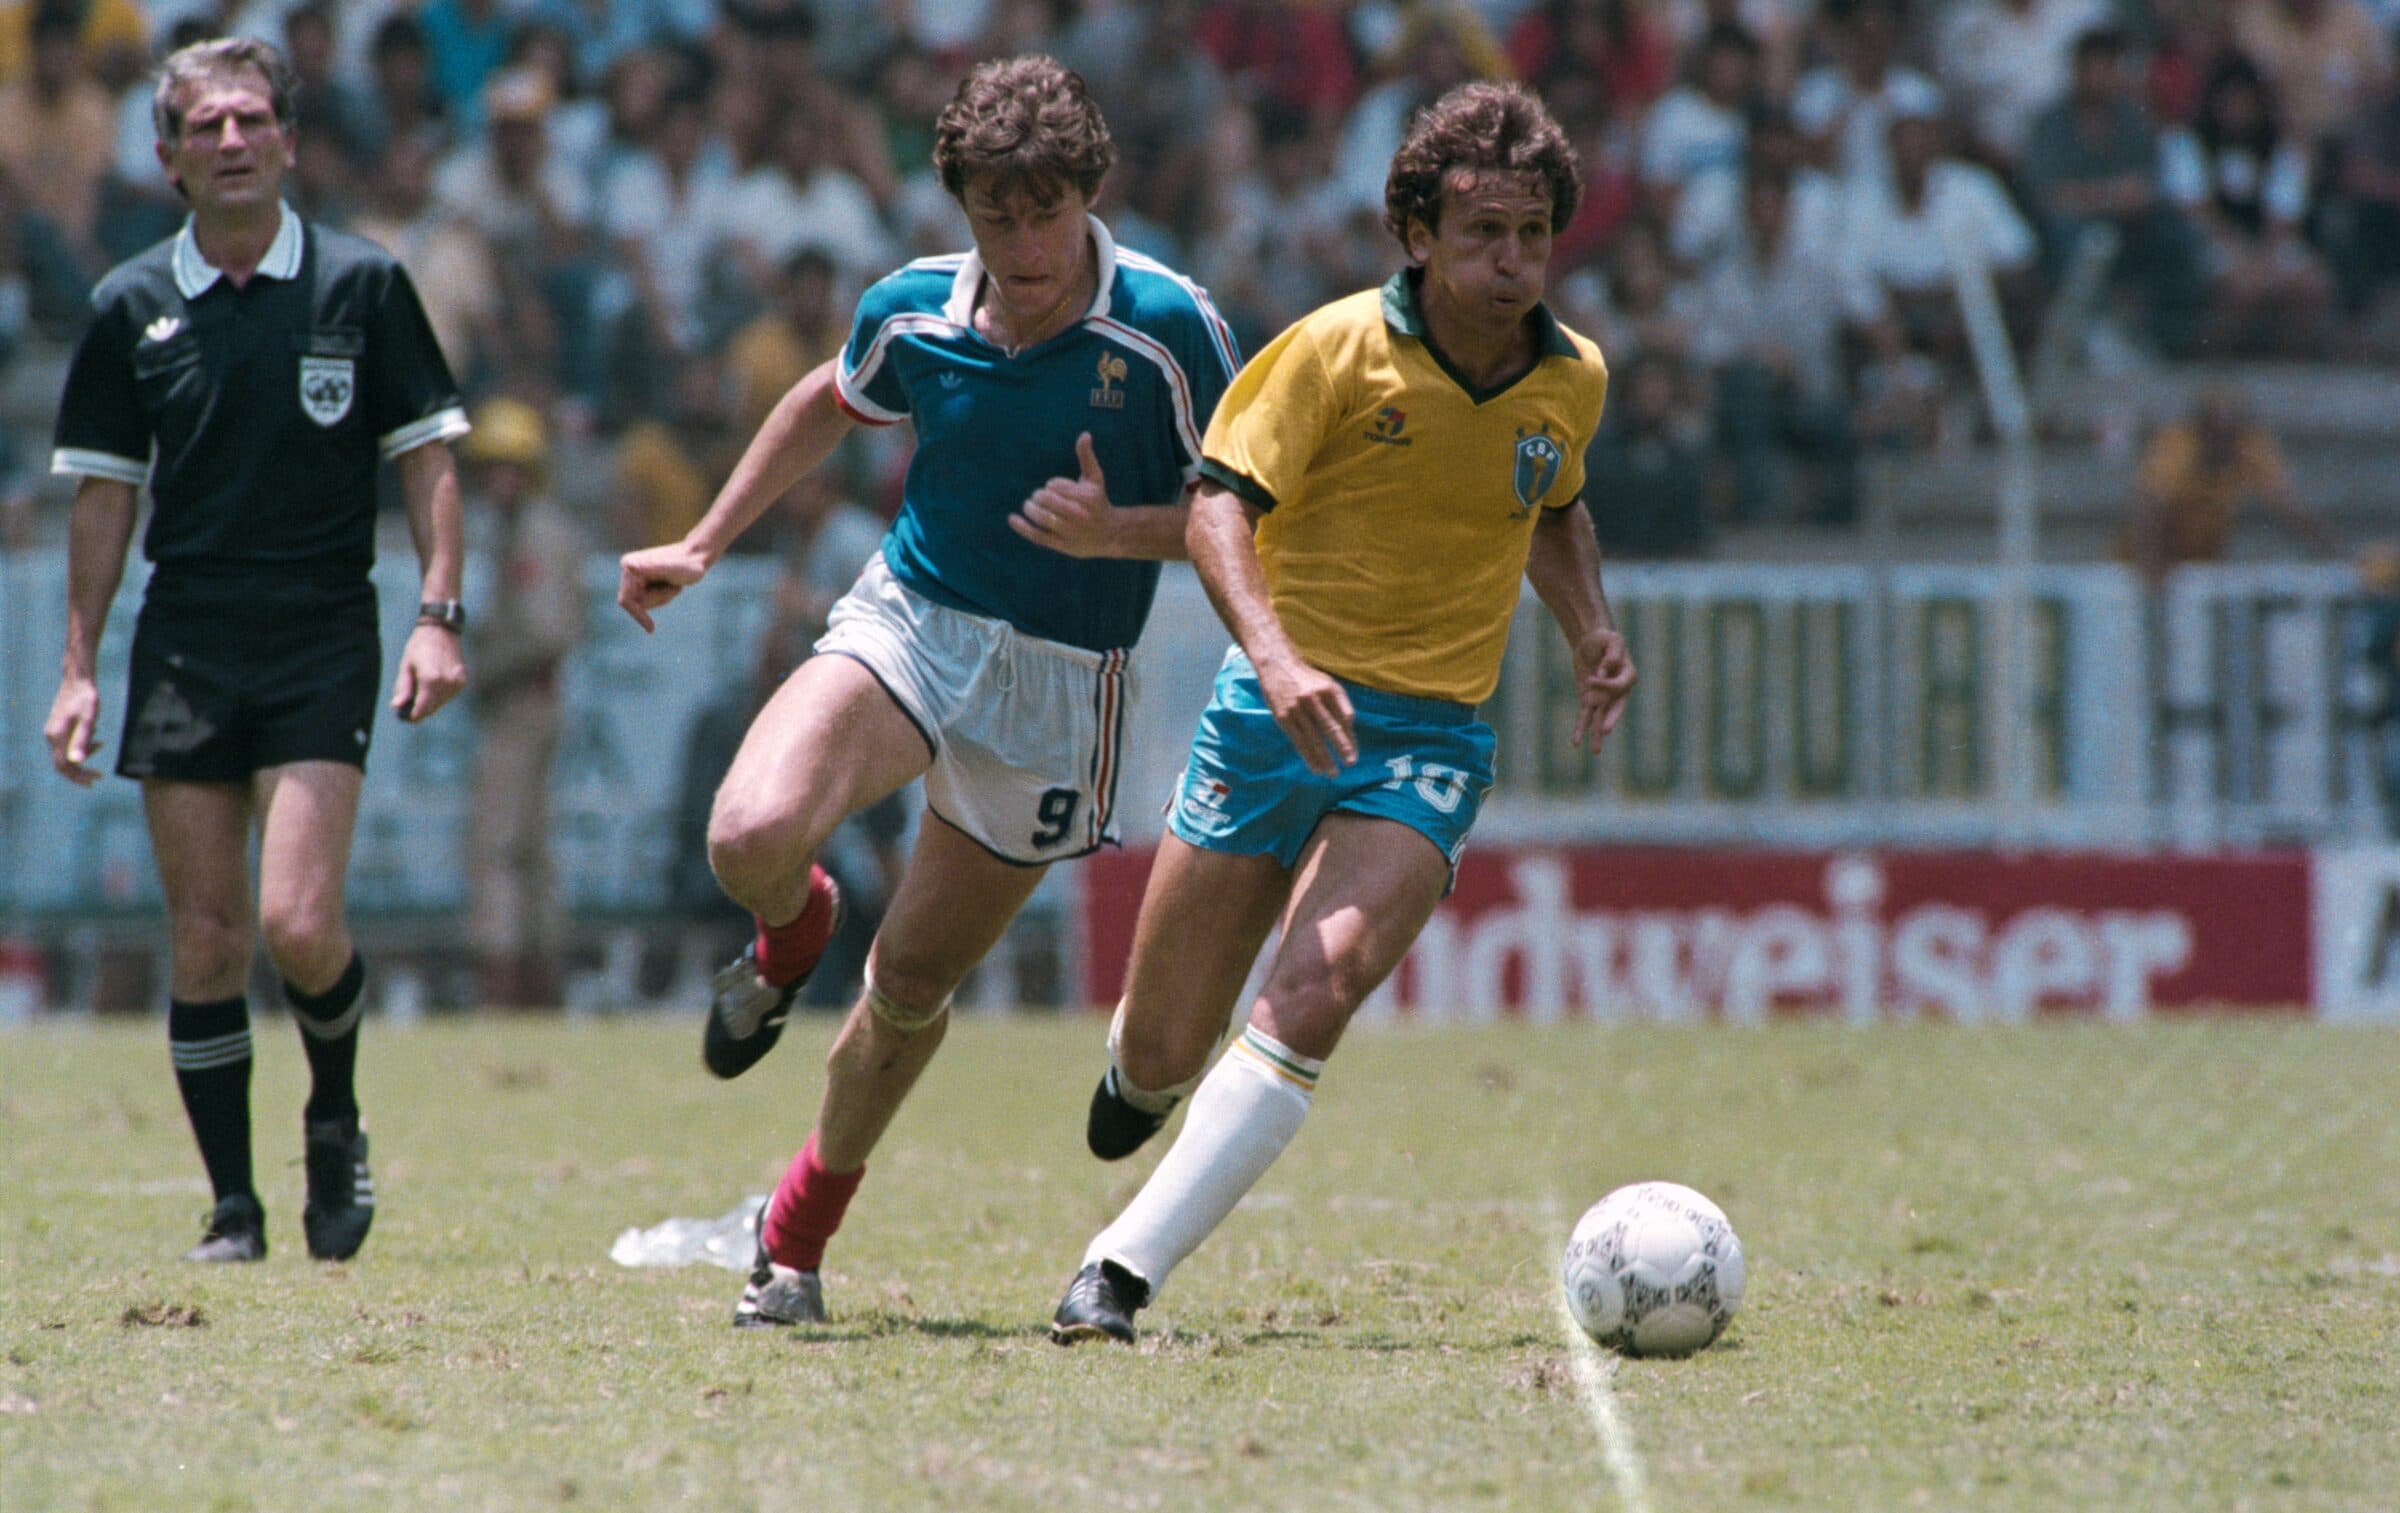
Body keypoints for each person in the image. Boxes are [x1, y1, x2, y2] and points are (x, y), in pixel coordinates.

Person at [615, 54, 1237, 1328]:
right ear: (959, 206)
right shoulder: (914, 309)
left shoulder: (1171, 328)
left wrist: (1118, 530)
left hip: (1062, 686)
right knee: (748, 833)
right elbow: (831, 400)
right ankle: (789, 937)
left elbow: (1254, 518)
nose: (1023, 243)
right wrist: (706, 539)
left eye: (1046, 212)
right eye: (995, 215)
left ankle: (792, 1242)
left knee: (906, 989)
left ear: (1089, 197)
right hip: (915, 621)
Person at [1049, 80, 1635, 1345]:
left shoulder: (1571, 377)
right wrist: (1273, 659)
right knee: (1159, 1050)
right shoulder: (1328, 351)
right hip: (1271, 716)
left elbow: (1551, 500)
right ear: (1417, 234)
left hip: (1424, 742)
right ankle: (1143, 1075)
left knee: (1314, 992)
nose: (1512, 261)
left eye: (1534, 234)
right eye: (1484, 234)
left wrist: (1589, 625)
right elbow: (1217, 509)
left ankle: (1118, 1271)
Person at [43, 38, 469, 1264]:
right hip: (186, 636)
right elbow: (106, 497)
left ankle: (332, 1112)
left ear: (288, 140)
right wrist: (79, 668)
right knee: (209, 938)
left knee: (296, 921)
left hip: (322, 627)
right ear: (169, 156)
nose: (231, 141)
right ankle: (234, 1209)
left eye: (251, 120)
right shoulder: (131, 304)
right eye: (204, 126)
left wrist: (438, 616)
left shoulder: (363, 285)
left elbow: (430, 457)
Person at [462, 396, 583, 1009]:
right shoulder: (522, 531)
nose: (493, 480)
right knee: (529, 850)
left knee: (498, 846)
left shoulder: (534, 534)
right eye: (488, 467)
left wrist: (483, 669)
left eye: (505, 467)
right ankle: (539, 991)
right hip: (529, 700)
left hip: (520, 701)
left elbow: (544, 631)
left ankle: (506, 991)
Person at [2121, 386, 2331, 582]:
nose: (2221, 442)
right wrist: (2150, 564)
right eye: (2214, 432)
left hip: (2202, 562)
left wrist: (2330, 549)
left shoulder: (2248, 447)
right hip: (2144, 564)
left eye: (2229, 433)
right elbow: (2149, 507)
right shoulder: (2178, 445)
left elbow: (2290, 507)